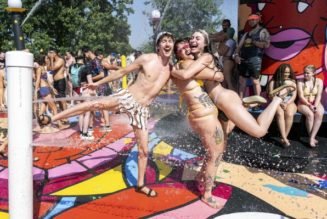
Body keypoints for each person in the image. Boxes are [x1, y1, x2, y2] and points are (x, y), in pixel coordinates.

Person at [38, 31, 175, 198]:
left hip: (142, 110)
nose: (167, 44)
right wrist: (97, 84)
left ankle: (140, 184)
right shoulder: (147, 59)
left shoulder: (171, 69)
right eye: (164, 41)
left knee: (144, 151)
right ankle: (52, 118)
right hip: (128, 97)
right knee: (93, 104)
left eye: (170, 41)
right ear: (159, 45)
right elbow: (120, 73)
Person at [172, 30, 294, 140]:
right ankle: (244, 105)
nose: (193, 40)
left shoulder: (206, 56)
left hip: (224, 98)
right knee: (223, 136)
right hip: (216, 103)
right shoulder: (195, 61)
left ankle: (277, 99)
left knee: (259, 131)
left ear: (205, 44)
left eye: (197, 38)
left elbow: (186, 74)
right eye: (192, 38)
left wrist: (170, 69)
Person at [173, 38, 225, 208]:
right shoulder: (184, 64)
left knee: (214, 152)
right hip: (204, 117)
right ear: (178, 54)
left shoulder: (184, 65)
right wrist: (216, 74)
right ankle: (207, 194)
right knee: (215, 155)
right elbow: (212, 75)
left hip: (203, 116)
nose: (187, 49)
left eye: (187, 46)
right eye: (182, 49)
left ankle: (200, 177)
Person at [234, 13, 270, 99]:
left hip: (255, 59)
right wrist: (236, 56)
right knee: (242, 81)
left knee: (255, 81)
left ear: (258, 20)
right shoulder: (246, 34)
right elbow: (238, 47)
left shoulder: (263, 31)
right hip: (243, 59)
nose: (251, 22)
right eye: (249, 20)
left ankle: (258, 102)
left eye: (253, 20)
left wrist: (254, 42)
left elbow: (267, 44)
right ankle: (240, 101)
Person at [268, 64, 297, 147]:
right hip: (277, 101)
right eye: (285, 72)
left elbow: (294, 95)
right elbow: (271, 95)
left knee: (289, 114)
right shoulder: (273, 81)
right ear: (280, 71)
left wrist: (287, 103)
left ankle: (284, 136)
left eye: (288, 72)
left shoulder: (292, 81)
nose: (286, 74)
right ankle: (284, 138)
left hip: (289, 102)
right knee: (280, 114)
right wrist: (280, 103)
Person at [297, 65, 324, 147]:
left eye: (307, 73)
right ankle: (311, 138)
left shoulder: (319, 81)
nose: (305, 74)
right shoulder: (300, 81)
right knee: (310, 115)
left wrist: (315, 106)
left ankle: (312, 137)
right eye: (304, 72)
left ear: (313, 73)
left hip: (315, 102)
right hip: (303, 102)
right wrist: (309, 105)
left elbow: (319, 95)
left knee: (319, 114)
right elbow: (301, 96)